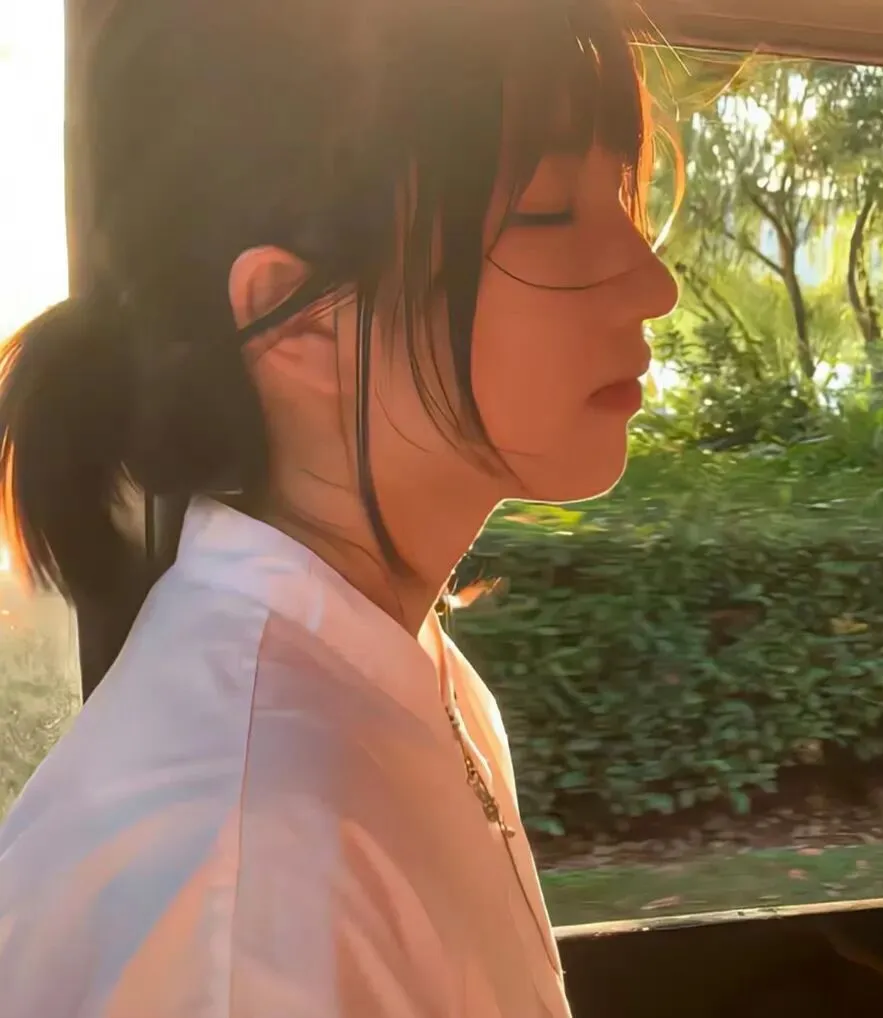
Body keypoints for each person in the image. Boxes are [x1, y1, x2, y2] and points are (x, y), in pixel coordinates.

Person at [0, 0, 678, 1014]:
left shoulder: (401, 678)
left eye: (622, 196)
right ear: (301, 320)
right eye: (549, 211)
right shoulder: (252, 877)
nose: (654, 282)